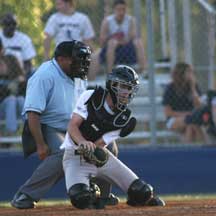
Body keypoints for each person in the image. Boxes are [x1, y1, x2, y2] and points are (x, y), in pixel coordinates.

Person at [11, 41, 119, 209]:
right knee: (66, 151)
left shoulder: (77, 76)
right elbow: (33, 113)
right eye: (77, 59)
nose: (82, 64)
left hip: (73, 125)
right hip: (46, 126)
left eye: (84, 60)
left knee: (109, 145)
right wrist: (40, 144)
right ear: (61, 59)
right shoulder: (44, 75)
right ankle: (26, 194)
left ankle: (103, 196)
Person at [61, 65, 165, 209]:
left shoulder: (124, 119)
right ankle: (90, 191)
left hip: (99, 157)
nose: (126, 92)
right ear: (113, 84)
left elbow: (100, 144)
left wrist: (93, 150)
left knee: (143, 192)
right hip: (74, 156)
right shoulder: (91, 96)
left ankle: (136, 197)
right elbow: (72, 126)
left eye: (129, 88)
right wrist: (83, 142)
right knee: (81, 198)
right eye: (123, 86)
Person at [88, 0, 146, 80]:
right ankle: (110, 73)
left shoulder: (131, 20)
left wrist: (121, 40)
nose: (121, 12)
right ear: (114, 10)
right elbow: (102, 41)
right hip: (111, 51)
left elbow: (133, 36)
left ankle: (144, 72)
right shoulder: (107, 21)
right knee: (112, 43)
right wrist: (112, 39)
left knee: (138, 42)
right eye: (119, 10)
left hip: (127, 50)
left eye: (123, 9)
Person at [162, 62, 205, 143]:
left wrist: (193, 88)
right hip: (174, 120)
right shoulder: (170, 88)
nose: (192, 75)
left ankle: (189, 150)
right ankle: (205, 146)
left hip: (192, 119)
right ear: (181, 73)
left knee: (191, 125)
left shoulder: (194, 87)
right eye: (189, 72)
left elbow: (199, 106)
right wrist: (187, 114)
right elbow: (168, 113)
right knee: (192, 121)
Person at [0, 38, 25, 136]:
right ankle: (12, 134)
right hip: (2, 107)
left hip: (15, 104)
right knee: (11, 99)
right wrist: (8, 86)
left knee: (20, 99)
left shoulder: (11, 59)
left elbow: (22, 79)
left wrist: (16, 82)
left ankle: (32, 130)